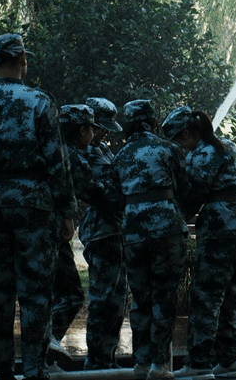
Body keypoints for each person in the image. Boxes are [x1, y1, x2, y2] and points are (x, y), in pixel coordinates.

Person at [0, 33, 77, 380]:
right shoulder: (40, 102)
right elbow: (57, 162)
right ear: (23, 62)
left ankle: (1, 369)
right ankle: (34, 369)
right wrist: (67, 210)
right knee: (36, 292)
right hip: (33, 205)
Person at [162, 107, 236, 380]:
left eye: (177, 141)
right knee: (229, 297)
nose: (179, 148)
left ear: (187, 133)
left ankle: (199, 362)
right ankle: (231, 360)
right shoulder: (230, 147)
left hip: (220, 234)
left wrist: (172, 220)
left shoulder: (203, 153)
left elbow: (194, 197)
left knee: (205, 298)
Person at [114, 99, 191, 380]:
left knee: (140, 299)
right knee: (164, 296)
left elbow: (115, 196)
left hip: (133, 233)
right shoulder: (169, 149)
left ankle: (141, 362)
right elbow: (185, 189)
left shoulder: (120, 156)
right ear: (152, 121)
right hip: (167, 230)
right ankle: (160, 365)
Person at [79, 97, 127, 370]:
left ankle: (107, 357)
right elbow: (99, 190)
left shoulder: (102, 150)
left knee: (116, 299)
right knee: (103, 297)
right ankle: (97, 359)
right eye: (100, 128)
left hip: (114, 229)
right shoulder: (82, 153)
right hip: (100, 231)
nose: (104, 134)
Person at [47, 104, 95, 365]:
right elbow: (96, 192)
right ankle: (48, 340)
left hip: (37, 231)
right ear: (82, 130)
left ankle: (44, 359)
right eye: (91, 129)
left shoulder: (49, 151)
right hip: (54, 233)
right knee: (72, 294)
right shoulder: (73, 157)